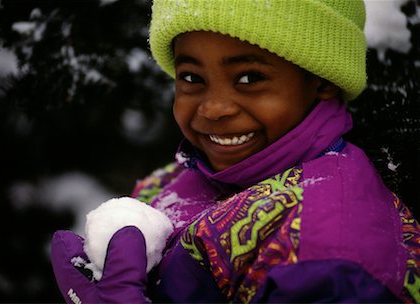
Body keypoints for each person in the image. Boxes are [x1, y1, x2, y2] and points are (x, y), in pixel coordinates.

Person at [51, 0, 420, 303]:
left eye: (249, 78)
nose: (213, 108)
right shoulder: (190, 174)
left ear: (321, 80)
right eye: (193, 78)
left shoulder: (332, 253)